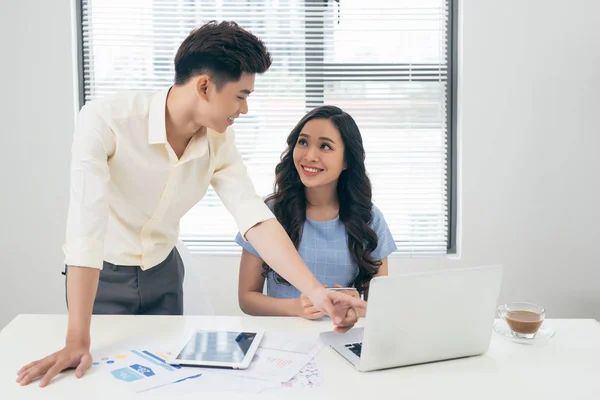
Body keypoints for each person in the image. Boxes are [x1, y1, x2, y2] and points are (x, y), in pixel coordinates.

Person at [16, 21, 364, 388]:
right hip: (102, 276)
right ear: (204, 86)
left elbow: (254, 218)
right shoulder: (106, 120)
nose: (244, 109)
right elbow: (85, 229)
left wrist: (316, 292)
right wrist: (76, 339)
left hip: (164, 273)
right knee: (99, 382)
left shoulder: (219, 140)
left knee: (167, 381)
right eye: (241, 95)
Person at [236, 105, 397, 319]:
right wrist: (296, 308)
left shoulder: (369, 218)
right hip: (283, 338)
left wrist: (358, 304)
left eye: (325, 146)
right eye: (303, 142)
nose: (310, 155)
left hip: (342, 336)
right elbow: (247, 298)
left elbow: (381, 303)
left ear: (347, 160)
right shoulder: (268, 213)